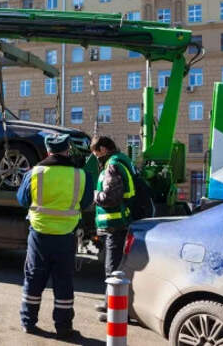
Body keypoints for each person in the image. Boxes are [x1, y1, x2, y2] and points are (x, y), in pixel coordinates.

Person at [17, 133, 94, 339]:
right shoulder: (81, 175)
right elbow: (86, 203)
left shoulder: (35, 173)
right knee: (63, 282)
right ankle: (64, 327)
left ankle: (28, 322)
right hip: (66, 237)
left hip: (39, 236)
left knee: (34, 279)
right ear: (67, 150)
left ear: (47, 151)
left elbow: (22, 200)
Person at [90, 136, 137, 322]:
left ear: (102, 149)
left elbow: (110, 198)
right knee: (114, 266)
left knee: (113, 268)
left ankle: (116, 311)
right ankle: (108, 302)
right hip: (118, 222)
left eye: (95, 152)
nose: (95, 157)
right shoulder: (120, 161)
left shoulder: (112, 165)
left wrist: (94, 194)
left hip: (115, 224)